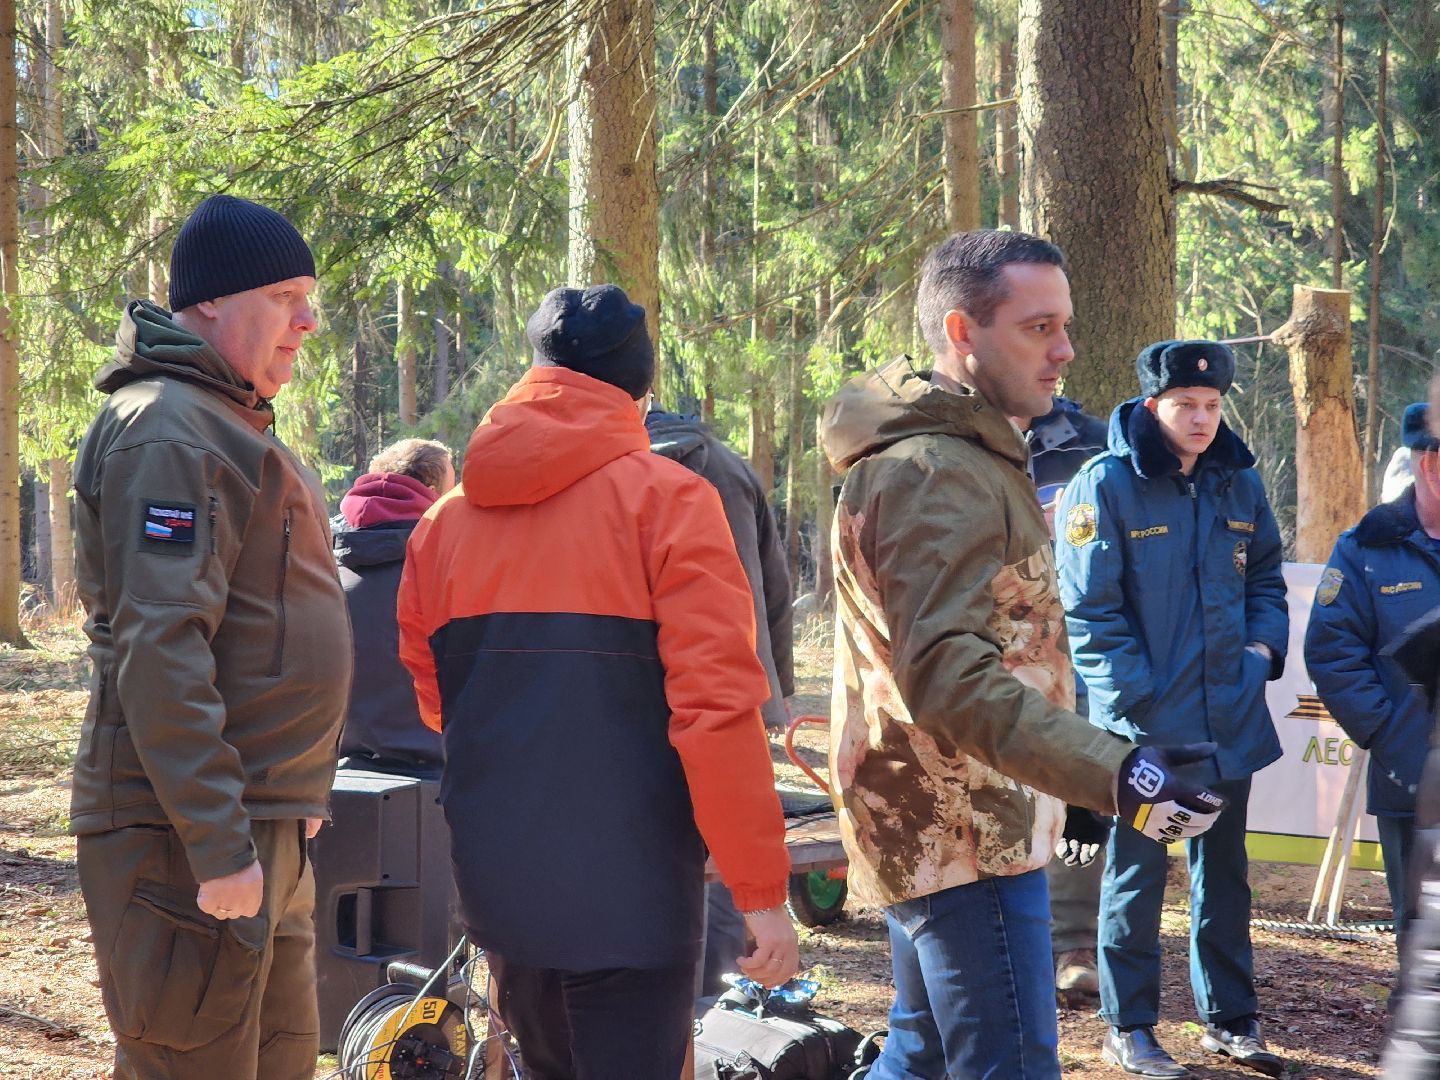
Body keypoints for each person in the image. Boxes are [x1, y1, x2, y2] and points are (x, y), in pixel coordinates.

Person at [818, 229, 1225, 1080]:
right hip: (965, 829)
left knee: (919, 1052)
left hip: (946, 819)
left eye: (1064, 326)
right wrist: (1116, 773)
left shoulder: (953, 452)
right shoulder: (937, 469)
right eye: (1038, 328)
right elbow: (948, 674)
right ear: (963, 335)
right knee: (1007, 1064)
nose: (1066, 351)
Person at [396, 284, 799, 1077]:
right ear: (641, 390)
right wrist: (759, 891)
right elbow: (717, 712)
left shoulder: (443, 525)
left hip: (501, 874)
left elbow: (435, 696)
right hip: (634, 886)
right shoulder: (672, 501)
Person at [69, 194, 348, 1079]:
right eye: (284, 294)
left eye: (311, 296)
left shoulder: (225, 421)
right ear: (212, 303)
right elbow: (163, 647)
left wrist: (296, 792)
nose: (306, 320)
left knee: (275, 1060)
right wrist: (220, 842)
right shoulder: (170, 428)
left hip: (261, 822)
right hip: (186, 834)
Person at [1057, 339, 1289, 1079]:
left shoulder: (1237, 482)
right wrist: (1134, 709)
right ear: (1153, 404)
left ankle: (1231, 1020)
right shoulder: (1106, 484)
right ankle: (1129, 1027)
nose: (1200, 419)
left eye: (1213, 406)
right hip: (1148, 732)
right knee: (1137, 876)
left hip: (1231, 721)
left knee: (1225, 873)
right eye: (1186, 405)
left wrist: (1260, 656)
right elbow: (1089, 613)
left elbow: (1269, 582)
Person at [646, 405, 795, 1001]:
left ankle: (713, 1007)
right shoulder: (724, 467)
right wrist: (768, 696)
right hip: (724, 689)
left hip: (636, 700)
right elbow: (768, 591)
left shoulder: (603, 470)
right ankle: (718, 1003)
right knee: (717, 834)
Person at [1305, 402, 1440, 939]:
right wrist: (1390, 734)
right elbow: (1334, 653)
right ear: (1430, 464)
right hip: (1412, 777)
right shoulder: (1366, 550)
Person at [1020, 395, 1111, 1008]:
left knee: (1076, 785)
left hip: (1074, 636)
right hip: (981, 640)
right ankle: (1009, 943)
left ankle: (1075, 942)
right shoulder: (950, 435)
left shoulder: (1092, 442)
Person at [333, 438, 454, 775]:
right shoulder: (448, 568)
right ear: (433, 490)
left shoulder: (323, 562)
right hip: (435, 768)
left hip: (334, 769)